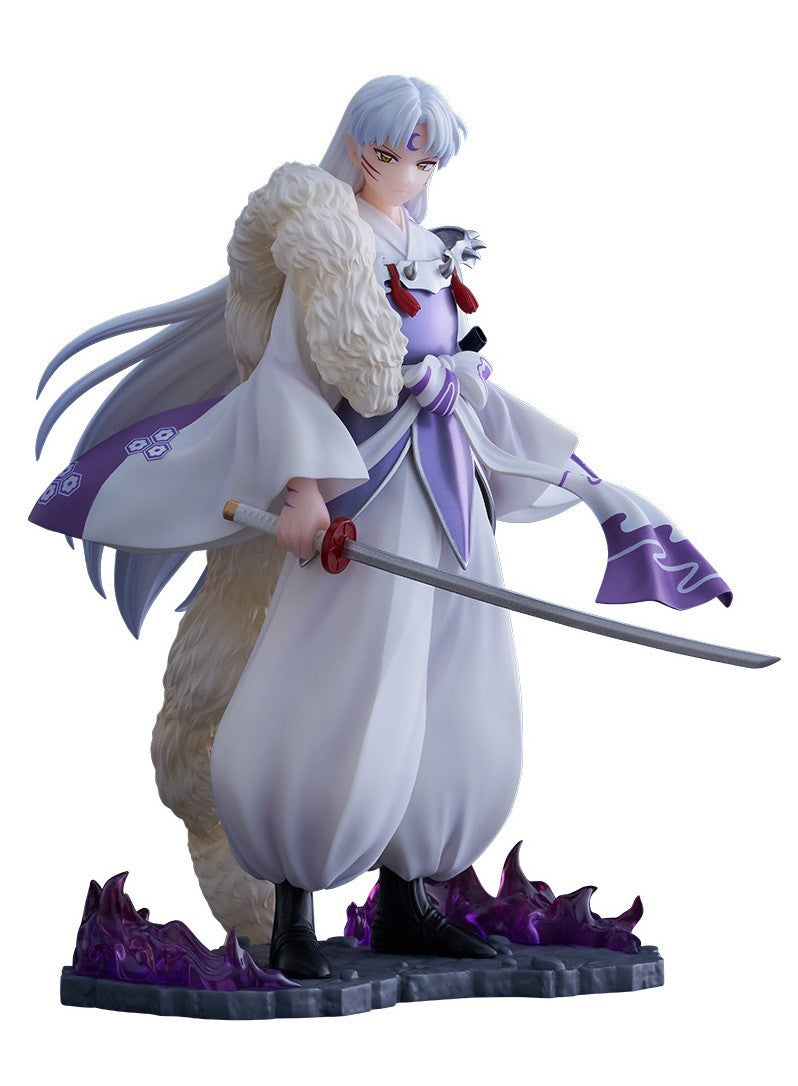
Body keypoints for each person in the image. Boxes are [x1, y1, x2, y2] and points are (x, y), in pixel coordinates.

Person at [31, 76, 730, 978]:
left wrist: (579, 480)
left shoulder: (430, 248)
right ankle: (293, 905)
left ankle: (411, 896)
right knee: (340, 678)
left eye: (428, 159)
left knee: (454, 679)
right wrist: (301, 489)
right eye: (398, 153)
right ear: (362, 149)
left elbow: (461, 375)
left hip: (452, 488)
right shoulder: (334, 247)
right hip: (366, 497)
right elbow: (287, 376)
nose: (412, 172)